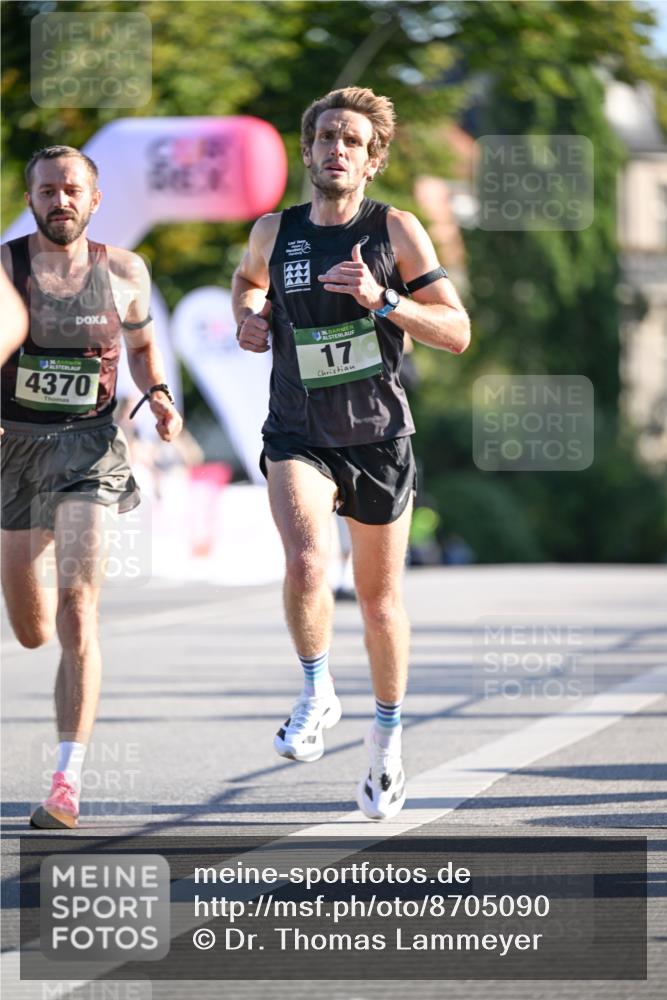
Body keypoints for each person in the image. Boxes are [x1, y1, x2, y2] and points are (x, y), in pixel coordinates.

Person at [232, 87, 470, 820]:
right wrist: (247, 313)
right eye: (325, 137)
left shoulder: (394, 231)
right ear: (307, 152)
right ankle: (314, 692)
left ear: (372, 159)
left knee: (378, 601)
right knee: (307, 560)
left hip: (376, 436)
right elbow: (248, 282)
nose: (336, 148)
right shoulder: (274, 230)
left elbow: (456, 332)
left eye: (350, 141)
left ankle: (387, 743)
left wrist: (383, 300)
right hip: (297, 431)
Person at [1, 145, 183, 829]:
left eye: (71, 189)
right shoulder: (7, 269)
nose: (60, 200)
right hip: (13, 451)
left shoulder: (125, 270)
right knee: (30, 629)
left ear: (94, 199)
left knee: (79, 609)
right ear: (31, 200)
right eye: (46, 190)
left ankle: (66, 781)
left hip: (89, 448)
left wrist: (159, 394)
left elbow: (140, 349)